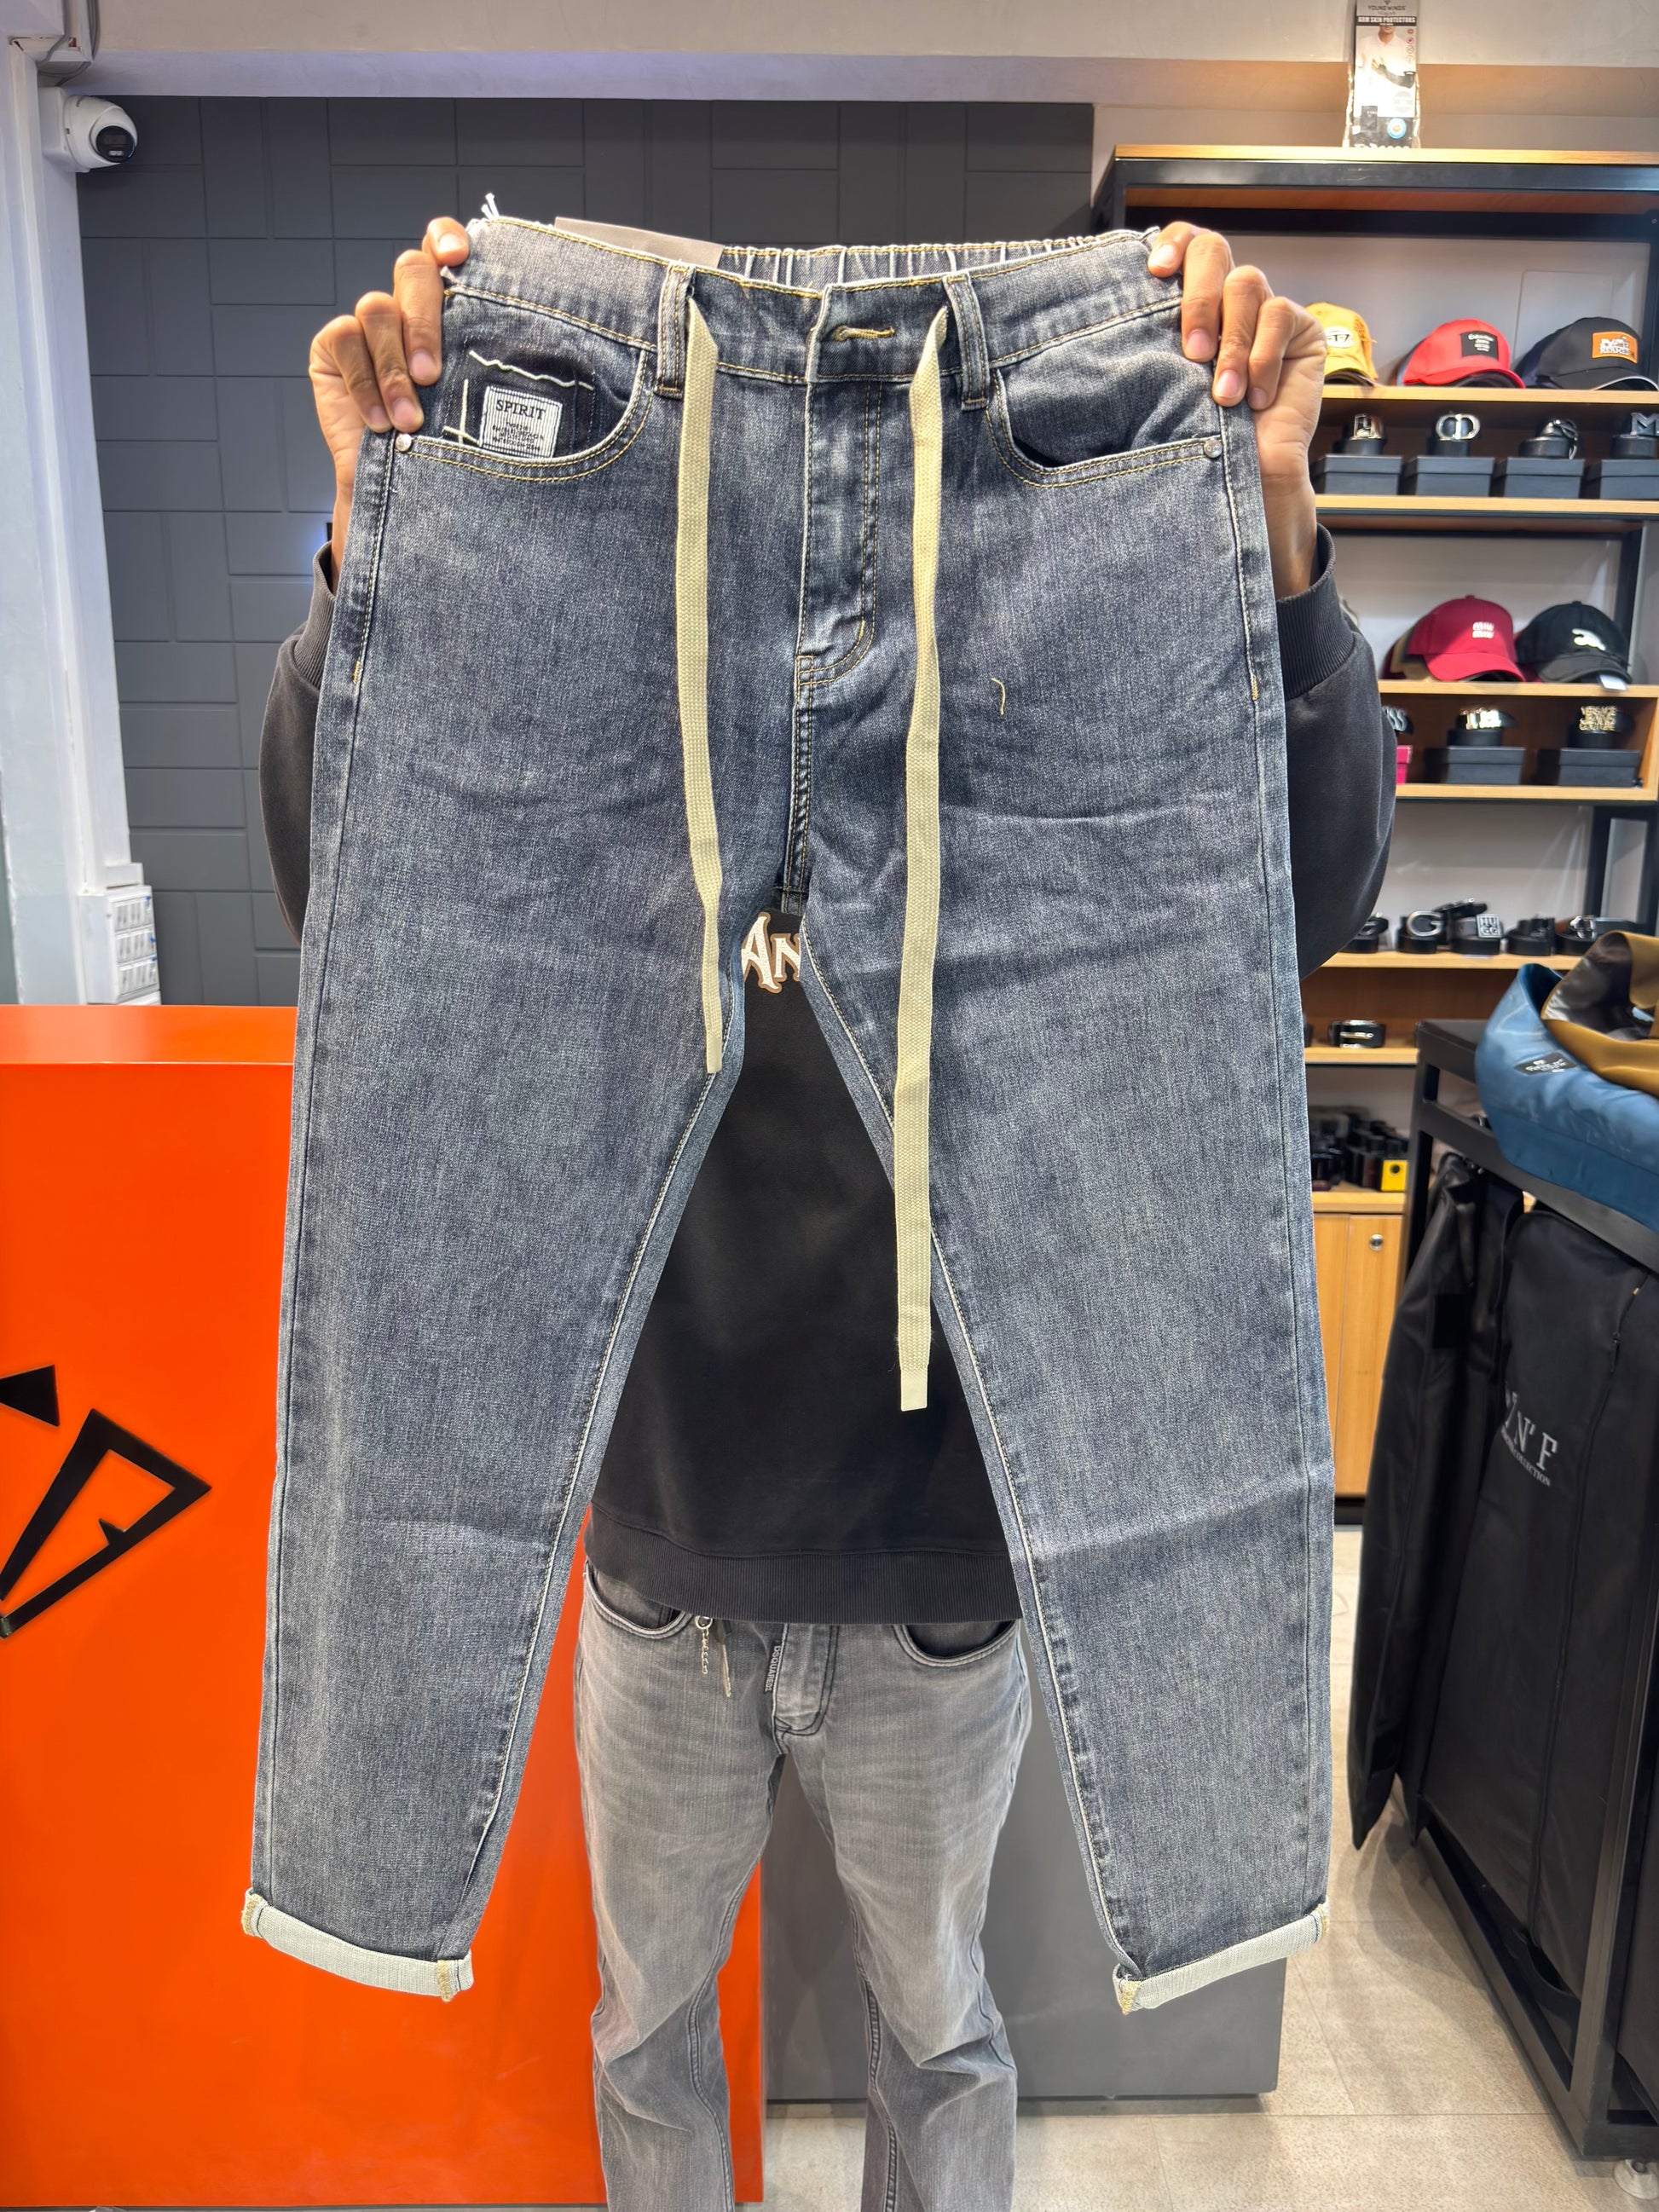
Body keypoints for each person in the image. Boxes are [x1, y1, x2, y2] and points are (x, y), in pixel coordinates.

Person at [259, 214, 1391, 2212]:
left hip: (932, 1573)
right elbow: (356, 905)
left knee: (935, 2015)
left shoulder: (1023, 670)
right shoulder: (607, 668)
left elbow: (1271, 918)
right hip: (662, 1556)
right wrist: (401, 559)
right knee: (648, 2017)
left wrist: (1263, 530)